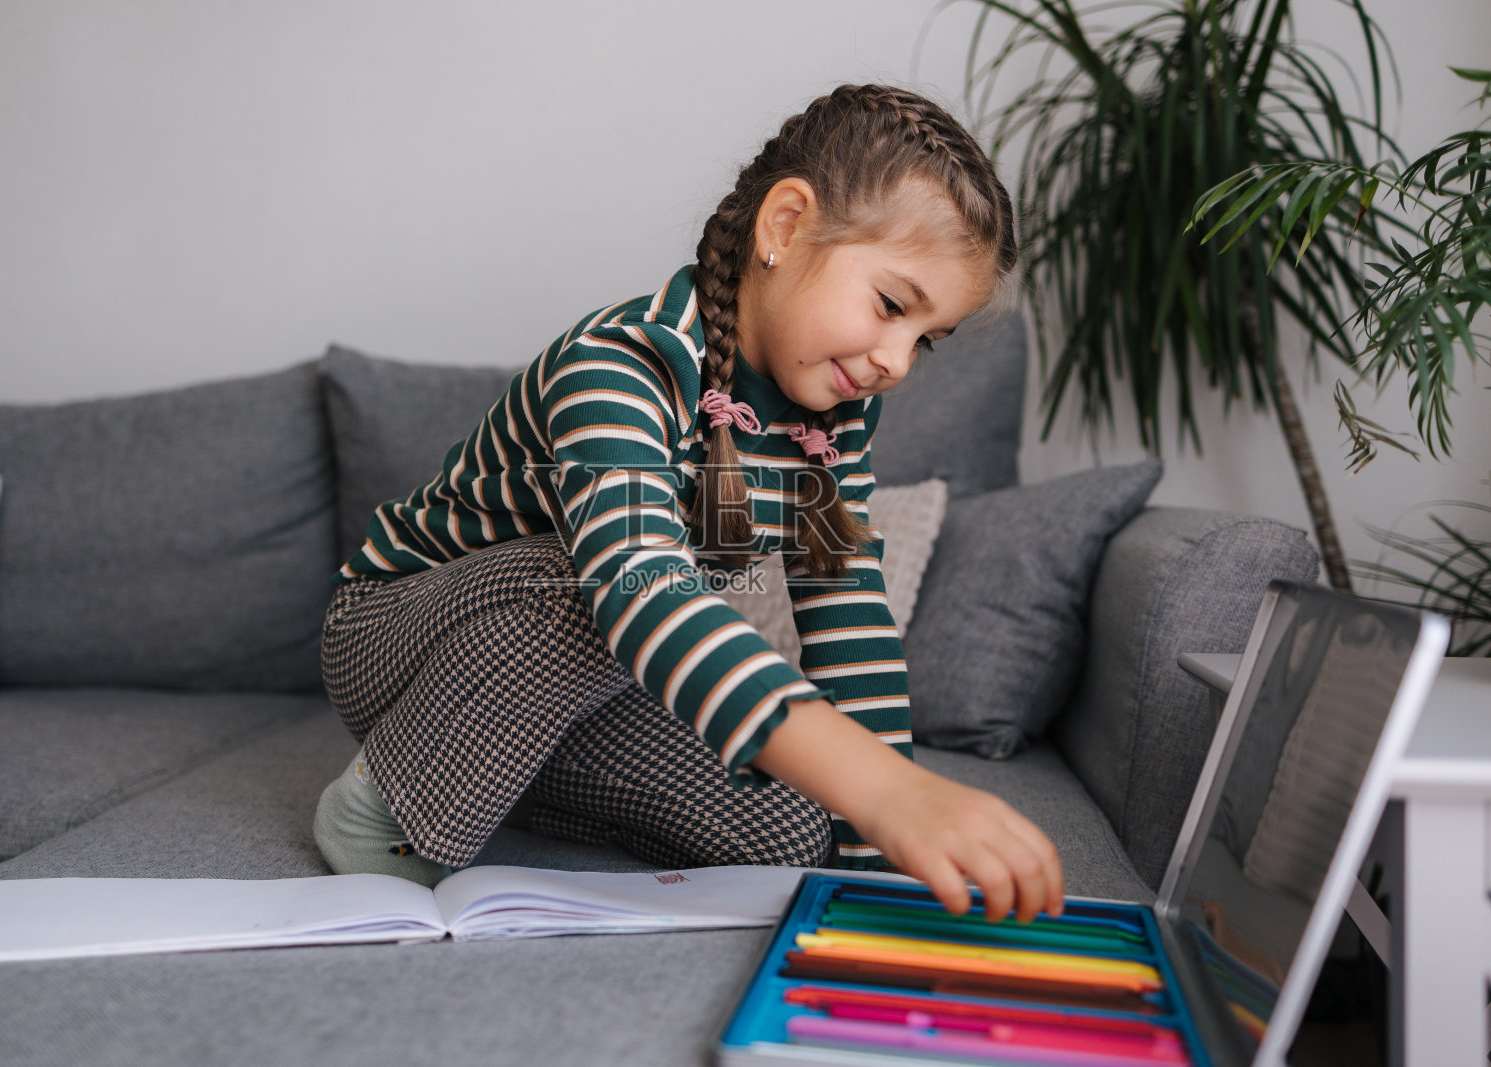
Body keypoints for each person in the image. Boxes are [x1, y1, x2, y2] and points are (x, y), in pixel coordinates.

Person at [314, 83, 1064, 922]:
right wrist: (882, 787)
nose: (897, 359)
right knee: (587, 588)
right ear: (785, 226)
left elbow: (848, 612)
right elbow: (641, 594)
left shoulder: (833, 423)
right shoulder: (619, 363)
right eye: (892, 306)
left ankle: (494, 771)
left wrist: (883, 846)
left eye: (925, 340)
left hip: (581, 676)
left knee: (796, 831)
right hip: (398, 640)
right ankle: (385, 806)